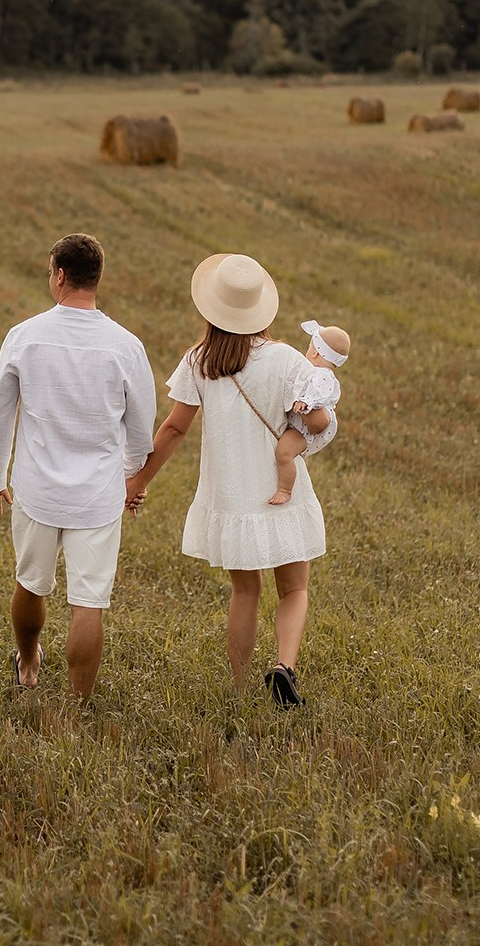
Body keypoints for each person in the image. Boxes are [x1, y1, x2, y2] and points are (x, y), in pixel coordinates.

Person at [127, 254, 326, 707]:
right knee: (294, 589)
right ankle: (284, 667)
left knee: (245, 590)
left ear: (213, 307)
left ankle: (238, 688)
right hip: (284, 493)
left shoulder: (200, 361)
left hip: (234, 499)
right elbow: (315, 421)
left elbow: (174, 429)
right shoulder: (287, 360)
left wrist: (138, 480)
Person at [0, 233, 155, 700]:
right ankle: (78, 704)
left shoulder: (25, 336)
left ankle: (29, 663)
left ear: (59, 276)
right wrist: (133, 478)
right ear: (96, 278)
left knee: (31, 582)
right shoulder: (127, 346)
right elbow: (141, 426)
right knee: (88, 603)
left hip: (36, 490)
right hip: (98, 495)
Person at [267, 320, 350, 507]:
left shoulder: (322, 375)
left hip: (304, 428)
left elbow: (321, 394)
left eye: (308, 347)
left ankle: (285, 490)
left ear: (314, 352)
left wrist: (306, 402)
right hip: (300, 423)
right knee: (284, 450)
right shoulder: (315, 372)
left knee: (284, 452)